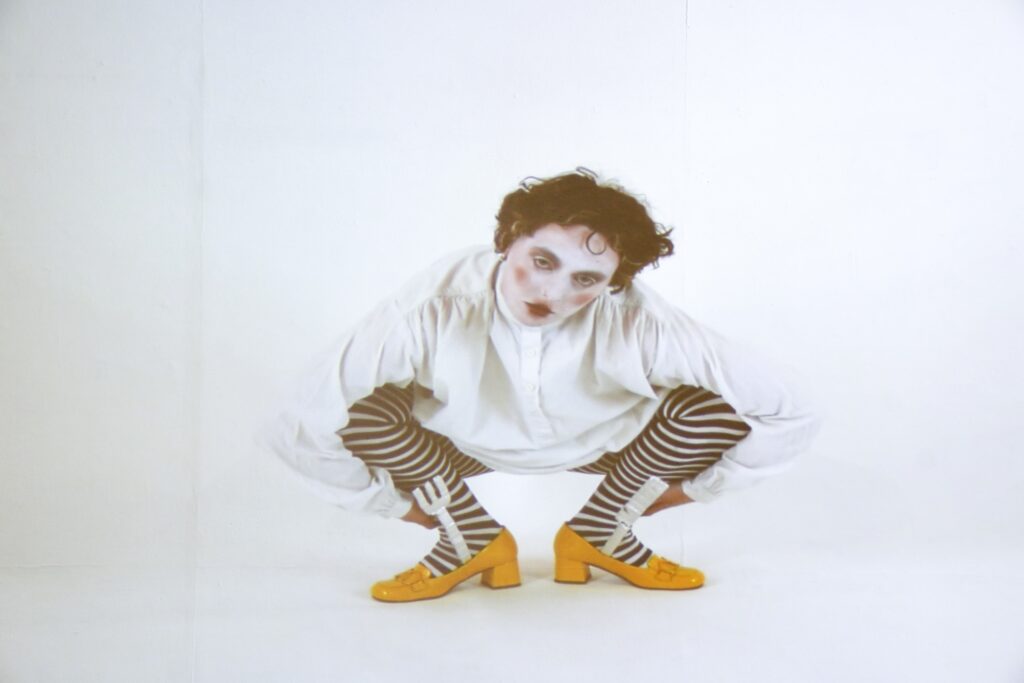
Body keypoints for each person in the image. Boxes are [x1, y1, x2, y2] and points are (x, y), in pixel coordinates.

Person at [269, 168, 820, 602]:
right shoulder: (431, 305)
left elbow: (790, 409)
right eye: (540, 260)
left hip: (609, 449)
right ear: (507, 240)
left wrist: (684, 493)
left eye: (585, 279)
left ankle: (601, 533)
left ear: (613, 283)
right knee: (360, 412)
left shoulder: (640, 321)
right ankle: (471, 540)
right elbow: (297, 419)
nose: (551, 292)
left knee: (717, 409)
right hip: (457, 448)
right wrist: (398, 508)